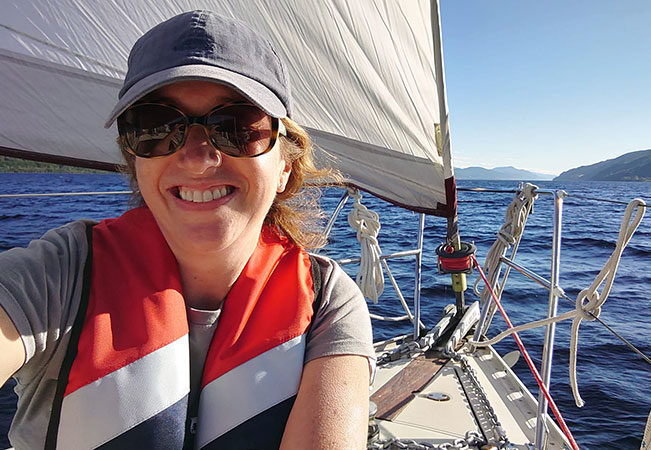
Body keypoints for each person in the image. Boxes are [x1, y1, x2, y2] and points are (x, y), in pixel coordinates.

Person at [0, 10, 374, 450]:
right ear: (134, 161)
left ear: (283, 166)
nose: (198, 158)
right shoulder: (56, 276)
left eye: (237, 127)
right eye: (156, 128)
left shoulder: (327, 302)